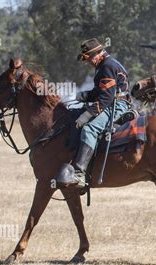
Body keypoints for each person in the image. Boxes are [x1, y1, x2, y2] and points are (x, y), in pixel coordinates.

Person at [56, 38, 131, 188]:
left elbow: (106, 97)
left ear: (98, 53)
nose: (88, 61)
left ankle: (79, 174)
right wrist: (84, 96)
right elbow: (101, 91)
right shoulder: (105, 65)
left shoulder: (107, 66)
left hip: (118, 105)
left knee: (90, 129)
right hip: (111, 102)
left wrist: (88, 114)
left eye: (89, 58)